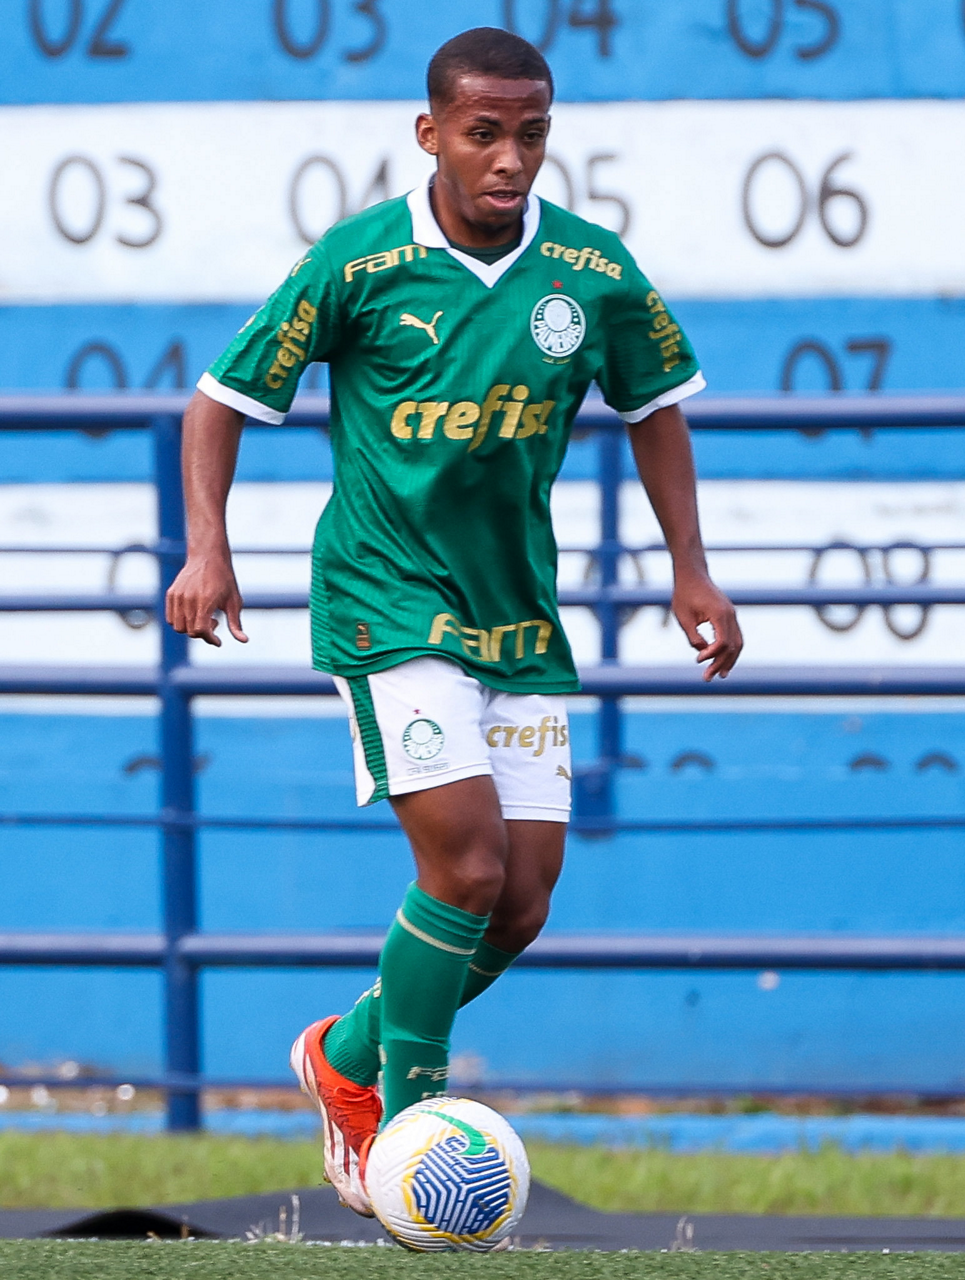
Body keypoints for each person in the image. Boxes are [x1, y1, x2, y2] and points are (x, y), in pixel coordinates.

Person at [165, 26, 743, 1216]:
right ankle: (406, 1129)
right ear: (430, 133)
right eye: (483, 133)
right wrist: (207, 546)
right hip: (386, 600)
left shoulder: (590, 272)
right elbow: (219, 400)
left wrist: (690, 570)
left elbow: (655, 411)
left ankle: (343, 1051)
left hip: (515, 615)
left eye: (530, 134)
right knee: (465, 863)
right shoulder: (360, 263)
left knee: (519, 900)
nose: (508, 157)